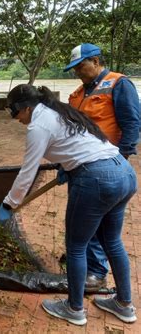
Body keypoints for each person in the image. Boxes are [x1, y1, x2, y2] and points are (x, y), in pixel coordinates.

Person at [0, 84, 137, 326]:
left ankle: (74, 308)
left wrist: (9, 204)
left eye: (16, 113)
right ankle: (124, 305)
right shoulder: (61, 112)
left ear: (27, 108)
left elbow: (27, 173)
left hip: (95, 179)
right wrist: (66, 167)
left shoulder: (38, 125)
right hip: (123, 172)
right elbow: (78, 144)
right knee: (112, 241)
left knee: (76, 246)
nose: (17, 119)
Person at [64, 43, 140, 291]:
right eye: (74, 68)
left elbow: (131, 122)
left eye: (80, 66)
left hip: (104, 169)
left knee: (99, 225)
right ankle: (86, 263)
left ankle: (96, 273)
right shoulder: (77, 94)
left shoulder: (118, 85)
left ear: (96, 61)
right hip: (80, 168)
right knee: (84, 221)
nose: (77, 71)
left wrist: (123, 157)